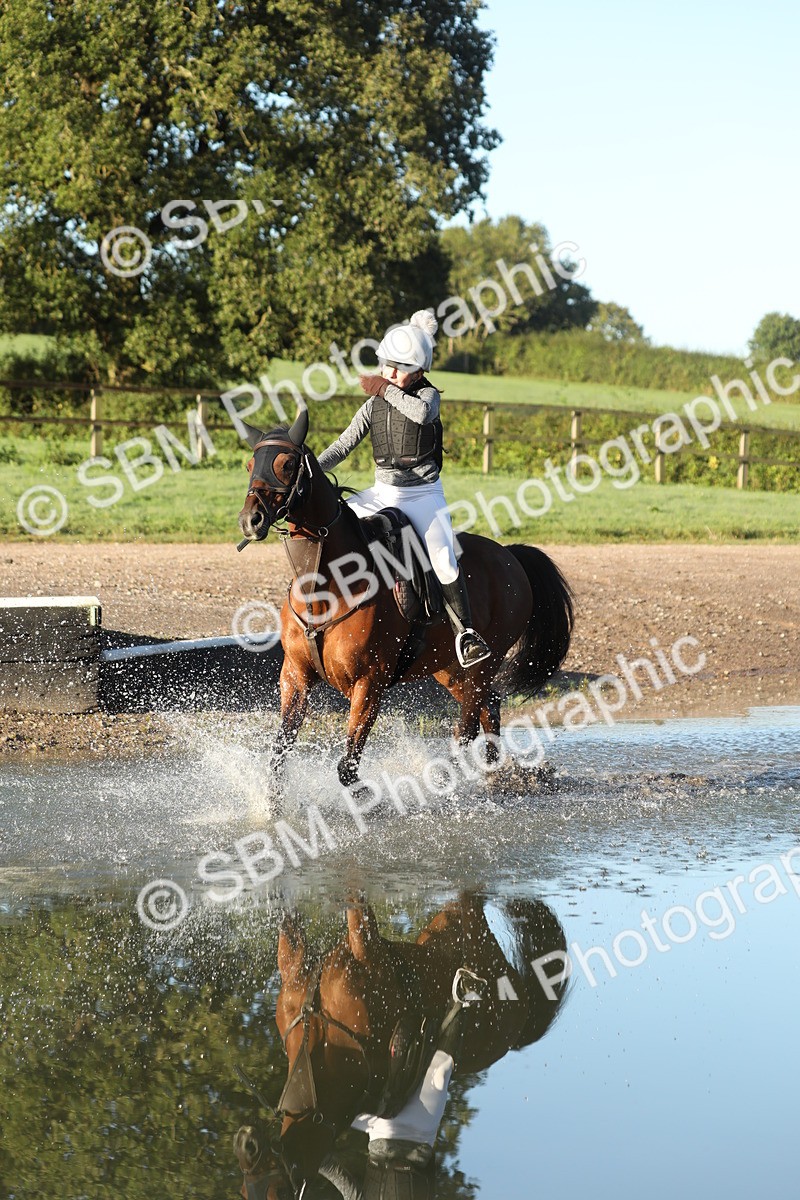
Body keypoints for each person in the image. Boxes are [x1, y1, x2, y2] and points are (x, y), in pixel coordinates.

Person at [317, 309, 491, 668]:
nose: (389, 374)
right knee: (333, 527)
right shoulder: (373, 405)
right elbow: (343, 445)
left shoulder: (428, 397)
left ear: (420, 371)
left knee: (444, 561)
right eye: (385, 366)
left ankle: (467, 634)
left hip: (423, 495)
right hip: (381, 492)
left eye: (399, 368)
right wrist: (310, 469)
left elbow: (419, 416)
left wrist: (383, 389)